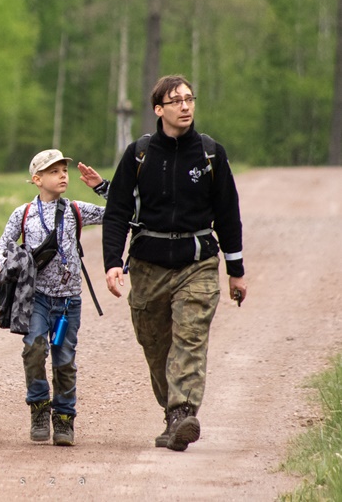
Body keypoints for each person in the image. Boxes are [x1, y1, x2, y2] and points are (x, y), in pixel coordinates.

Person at [101, 74, 247, 452]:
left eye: (189, 99)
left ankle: (182, 413)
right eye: (176, 101)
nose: (185, 106)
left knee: (190, 338)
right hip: (147, 266)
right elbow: (116, 211)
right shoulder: (139, 154)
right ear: (158, 109)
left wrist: (236, 271)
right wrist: (112, 262)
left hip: (197, 263)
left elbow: (228, 213)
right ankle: (172, 413)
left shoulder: (211, 154)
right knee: (155, 345)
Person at [0, 149, 105, 446]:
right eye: (54, 171)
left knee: (65, 360)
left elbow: (118, 213)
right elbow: (2, 248)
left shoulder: (76, 209)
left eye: (64, 171)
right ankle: (39, 407)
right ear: (37, 179)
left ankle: (65, 418)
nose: (63, 176)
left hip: (69, 301)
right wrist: (14, 267)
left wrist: (101, 188)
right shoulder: (23, 213)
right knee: (33, 348)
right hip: (36, 298)